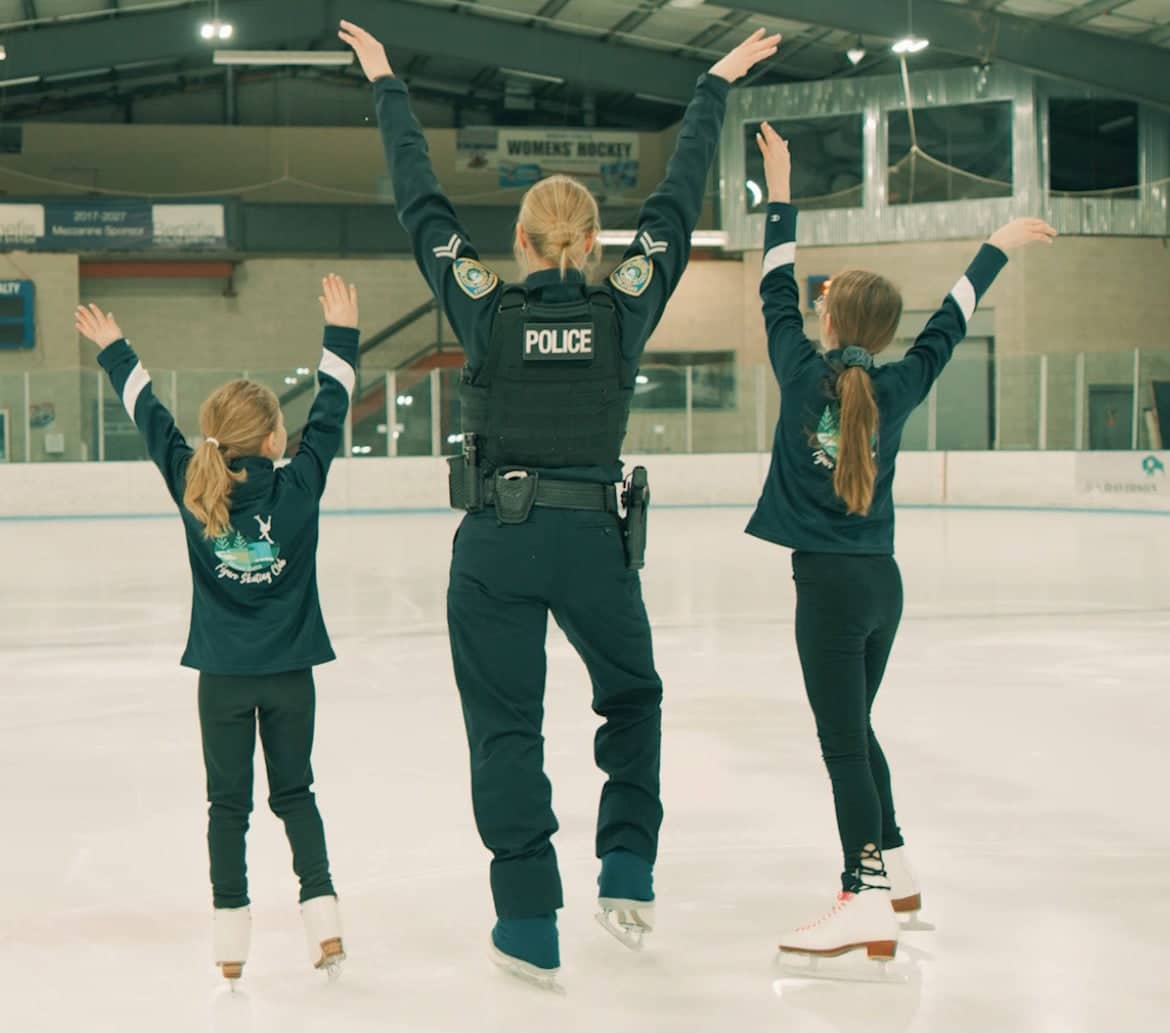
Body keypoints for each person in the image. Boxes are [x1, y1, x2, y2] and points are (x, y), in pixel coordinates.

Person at [339, 19, 781, 987]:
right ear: (592, 244)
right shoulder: (624, 306)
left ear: (524, 241)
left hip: (495, 549)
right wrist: (708, 84)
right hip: (592, 541)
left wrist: (386, 80)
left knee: (506, 724)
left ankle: (529, 919)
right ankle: (626, 863)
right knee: (631, 697)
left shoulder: (485, 312)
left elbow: (420, 204)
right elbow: (677, 196)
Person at [747, 122, 1056, 965]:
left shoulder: (798, 368)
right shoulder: (900, 382)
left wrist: (781, 188)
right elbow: (949, 323)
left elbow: (775, 281)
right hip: (883, 585)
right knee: (858, 725)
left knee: (842, 741)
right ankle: (900, 864)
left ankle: (864, 897)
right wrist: (993, 246)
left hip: (832, 590)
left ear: (830, 313)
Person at [75, 275, 361, 986]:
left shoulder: (191, 482)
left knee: (226, 805)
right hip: (292, 674)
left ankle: (230, 938)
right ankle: (324, 927)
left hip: (223, 680)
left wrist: (115, 350)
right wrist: (341, 334)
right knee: (296, 794)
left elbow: (154, 421)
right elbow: (331, 411)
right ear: (272, 438)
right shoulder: (299, 487)